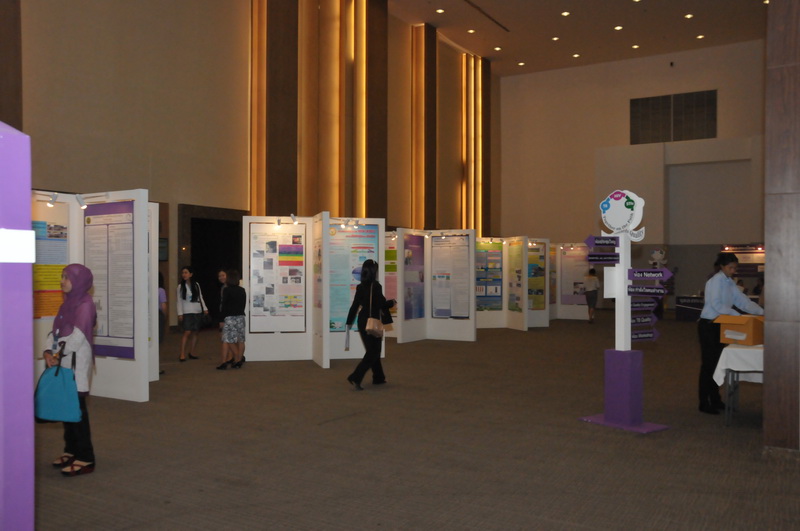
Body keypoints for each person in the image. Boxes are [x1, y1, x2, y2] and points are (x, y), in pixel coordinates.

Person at [43, 264, 97, 477]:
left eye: (67, 277)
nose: (62, 281)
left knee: (77, 411)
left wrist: (57, 353)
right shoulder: (67, 303)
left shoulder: (85, 304)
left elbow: (78, 336)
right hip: (63, 361)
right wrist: (48, 350)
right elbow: (55, 331)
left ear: (79, 281)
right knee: (67, 407)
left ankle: (86, 457)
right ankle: (71, 450)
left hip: (76, 364)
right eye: (62, 276)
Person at [697, 252, 764, 415]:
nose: (733, 271)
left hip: (720, 324)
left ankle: (716, 399)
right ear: (722, 266)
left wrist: (761, 312)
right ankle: (704, 402)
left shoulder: (729, 282)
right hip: (708, 325)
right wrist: (737, 315)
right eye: (730, 268)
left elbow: (742, 301)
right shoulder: (715, 281)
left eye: (735, 268)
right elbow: (716, 305)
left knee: (717, 364)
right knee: (709, 365)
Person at [345, 259, 396, 390]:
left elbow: (354, 306)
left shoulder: (360, 286)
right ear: (374, 271)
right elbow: (381, 304)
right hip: (373, 322)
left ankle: (378, 377)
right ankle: (355, 376)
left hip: (362, 321)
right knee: (374, 351)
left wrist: (349, 322)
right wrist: (391, 303)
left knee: (373, 350)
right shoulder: (376, 286)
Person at [176, 266, 208, 362]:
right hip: (187, 312)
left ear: (191, 274)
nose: (184, 274)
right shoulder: (180, 286)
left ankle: (192, 352)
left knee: (196, 332)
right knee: (187, 332)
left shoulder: (196, 285)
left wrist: (205, 308)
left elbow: (200, 297)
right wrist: (180, 313)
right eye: (183, 273)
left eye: (186, 272)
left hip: (197, 310)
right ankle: (182, 353)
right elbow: (179, 301)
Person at [217, 269, 247, 370]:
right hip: (241, 317)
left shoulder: (227, 290)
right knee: (241, 340)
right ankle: (238, 361)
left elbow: (224, 306)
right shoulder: (242, 290)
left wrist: (221, 319)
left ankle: (237, 358)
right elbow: (243, 304)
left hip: (230, 317)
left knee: (227, 339)